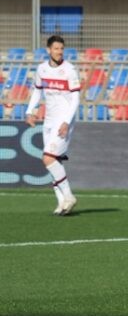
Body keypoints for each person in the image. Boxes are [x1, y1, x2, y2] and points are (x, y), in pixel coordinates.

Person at [26, 35, 81, 216]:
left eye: (61, 49)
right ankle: (61, 203)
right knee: (54, 162)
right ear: (48, 50)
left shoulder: (69, 70)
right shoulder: (42, 69)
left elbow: (76, 98)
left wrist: (66, 121)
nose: (59, 52)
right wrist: (30, 111)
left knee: (48, 158)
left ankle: (69, 197)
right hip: (49, 120)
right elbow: (37, 91)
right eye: (56, 49)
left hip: (63, 120)